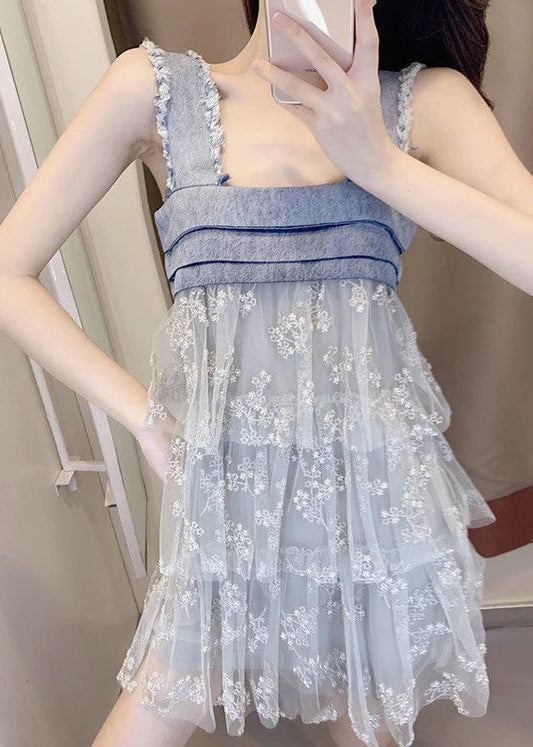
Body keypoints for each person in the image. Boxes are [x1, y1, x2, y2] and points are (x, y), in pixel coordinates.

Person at [0, 0, 532, 746]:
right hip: (228, 506)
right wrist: (144, 415)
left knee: (364, 721)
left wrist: (378, 163)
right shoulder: (155, 91)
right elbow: (8, 273)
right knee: (154, 706)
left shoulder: (424, 102)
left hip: (366, 503)